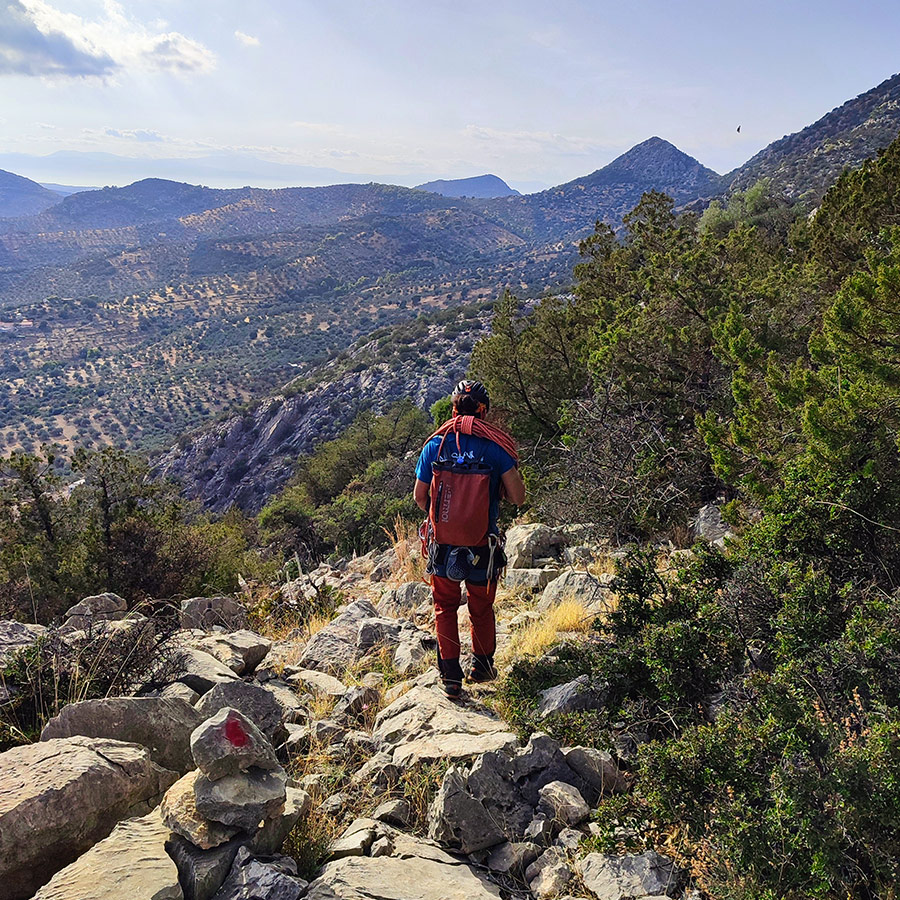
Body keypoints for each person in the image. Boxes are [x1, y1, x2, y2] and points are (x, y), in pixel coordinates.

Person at [414, 380, 525, 699]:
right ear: (484, 411)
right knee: (481, 607)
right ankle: (483, 668)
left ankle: (451, 676)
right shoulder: (496, 448)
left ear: (453, 409)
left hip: (444, 545)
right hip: (483, 545)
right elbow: (518, 497)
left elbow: (420, 497)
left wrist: (443, 515)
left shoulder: (435, 445)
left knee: (445, 606)